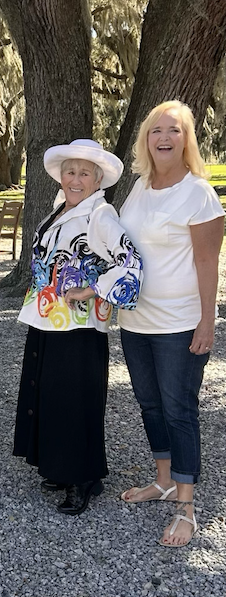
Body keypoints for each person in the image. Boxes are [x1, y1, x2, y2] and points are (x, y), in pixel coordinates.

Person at [14, 139, 143, 515]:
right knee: (51, 395)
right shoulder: (60, 211)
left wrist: (94, 289)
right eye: (70, 171)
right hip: (48, 320)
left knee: (74, 400)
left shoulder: (100, 216)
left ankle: (82, 477)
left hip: (79, 327)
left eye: (84, 173)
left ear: (98, 179)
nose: (75, 178)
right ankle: (61, 467)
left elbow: (130, 261)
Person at [118, 101, 224, 547]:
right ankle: (162, 480)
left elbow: (207, 261)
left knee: (179, 408)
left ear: (187, 139)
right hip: (134, 319)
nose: (164, 137)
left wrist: (207, 321)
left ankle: (186, 506)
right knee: (149, 403)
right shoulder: (139, 186)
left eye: (174, 130)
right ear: (146, 139)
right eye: (156, 129)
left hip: (179, 323)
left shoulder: (199, 193)